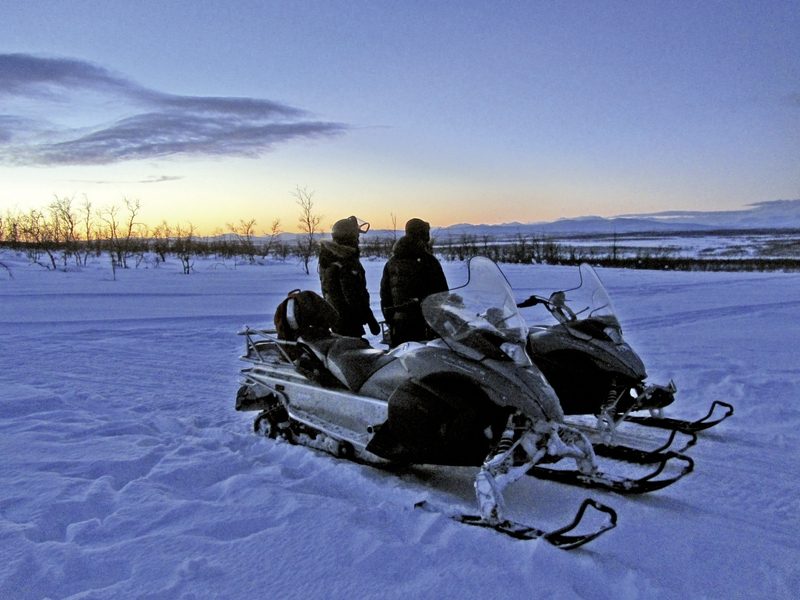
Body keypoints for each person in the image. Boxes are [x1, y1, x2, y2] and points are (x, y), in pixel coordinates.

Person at [380, 218, 448, 347]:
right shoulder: (429, 261)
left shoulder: (391, 263)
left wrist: (392, 320)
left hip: (399, 325)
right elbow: (441, 294)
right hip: (424, 325)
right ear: (422, 235)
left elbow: (385, 297)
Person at [318, 215, 381, 338]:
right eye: (356, 236)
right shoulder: (345, 262)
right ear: (350, 237)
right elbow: (353, 295)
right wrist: (370, 318)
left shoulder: (330, 257)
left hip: (338, 319)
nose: (358, 239)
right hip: (348, 321)